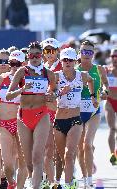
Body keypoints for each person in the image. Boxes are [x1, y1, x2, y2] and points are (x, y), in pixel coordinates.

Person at [6, 42, 56, 189]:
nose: (35, 58)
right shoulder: (22, 71)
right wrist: (21, 89)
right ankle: (35, 180)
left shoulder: (48, 73)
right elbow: (9, 95)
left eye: (37, 55)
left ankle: (36, 186)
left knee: (37, 156)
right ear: (28, 56)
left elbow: (54, 91)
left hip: (41, 115)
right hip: (23, 117)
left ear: (42, 56)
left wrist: (52, 95)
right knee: (28, 160)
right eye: (32, 55)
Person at [54, 48, 97, 189]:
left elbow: (91, 81)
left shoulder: (82, 76)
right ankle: (70, 179)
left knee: (69, 154)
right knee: (62, 158)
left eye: (70, 60)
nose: (67, 62)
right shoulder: (55, 76)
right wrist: (61, 92)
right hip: (59, 120)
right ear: (61, 61)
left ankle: (67, 185)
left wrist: (92, 96)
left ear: (75, 61)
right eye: (65, 60)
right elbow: (48, 96)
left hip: (75, 120)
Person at [0, 50, 27, 189]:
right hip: (4, 124)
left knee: (23, 161)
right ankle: (11, 183)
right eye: (12, 63)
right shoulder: (1, 79)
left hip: (22, 123)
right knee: (8, 164)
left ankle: (19, 186)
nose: (15, 66)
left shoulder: (29, 81)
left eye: (18, 64)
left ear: (24, 64)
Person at [77, 40, 109, 187]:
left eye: (90, 52)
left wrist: (104, 93)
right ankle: (84, 176)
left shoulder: (99, 69)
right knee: (80, 148)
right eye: (84, 51)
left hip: (94, 112)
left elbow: (105, 86)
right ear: (80, 53)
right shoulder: (74, 70)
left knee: (87, 145)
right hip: (76, 112)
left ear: (94, 53)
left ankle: (89, 180)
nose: (87, 55)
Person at [41, 38, 63, 185]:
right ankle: (51, 180)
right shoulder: (39, 67)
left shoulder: (64, 65)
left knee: (59, 151)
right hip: (45, 111)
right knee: (48, 148)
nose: (49, 53)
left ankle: (62, 178)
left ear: (57, 52)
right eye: (46, 51)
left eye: (52, 50)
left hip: (62, 111)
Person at [104, 48, 117, 165]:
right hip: (110, 102)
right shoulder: (106, 70)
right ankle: (113, 154)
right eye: (113, 56)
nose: (115, 59)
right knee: (112, 128)